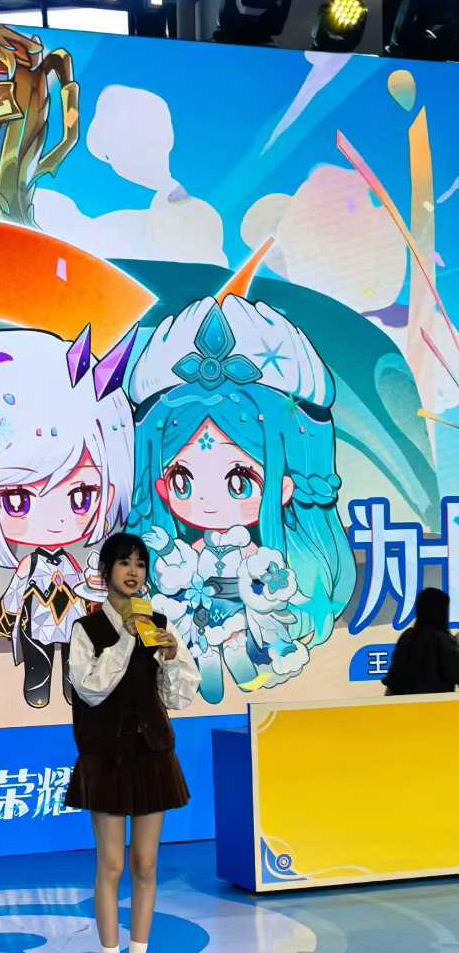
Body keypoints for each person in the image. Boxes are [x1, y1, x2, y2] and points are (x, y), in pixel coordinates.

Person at [127, 293, 354, 706]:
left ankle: (241, 671)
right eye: (182, 479)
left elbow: (274, 586)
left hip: (245, 614)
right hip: (195, 613)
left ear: (286, 486)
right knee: (200, 658)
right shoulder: (182, 550)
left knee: (238, 651)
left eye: (239, 480)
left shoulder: (269, 554)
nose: (207, 502)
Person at [0, 324, 134, 709]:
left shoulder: (70, 564)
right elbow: (16, 594)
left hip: (70, 622)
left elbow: (84, 590)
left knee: (75, 661)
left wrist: (96, 596)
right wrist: (11, 612)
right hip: (39, 624)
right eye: (17, 499)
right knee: (38, 663)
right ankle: (38, 687)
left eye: (81, 495)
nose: (56, 520)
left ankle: (72, 688)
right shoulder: (29, 566)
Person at [67, 531, 200, 953]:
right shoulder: (87, 629)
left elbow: (178, 695)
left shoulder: (159, 624)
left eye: (140, 564)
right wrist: (127, 636)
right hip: (107, 756)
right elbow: (90, 688)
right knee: (112, 864)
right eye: (124, 563)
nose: (133, 572)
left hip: (151, 754)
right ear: (105, 572)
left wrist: (170, 656)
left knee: (146, 864)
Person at [383, 588, 459, 695]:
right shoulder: (444, 641)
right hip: (438, 704)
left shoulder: (407, 637)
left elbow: (393, 680)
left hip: (404, 704)